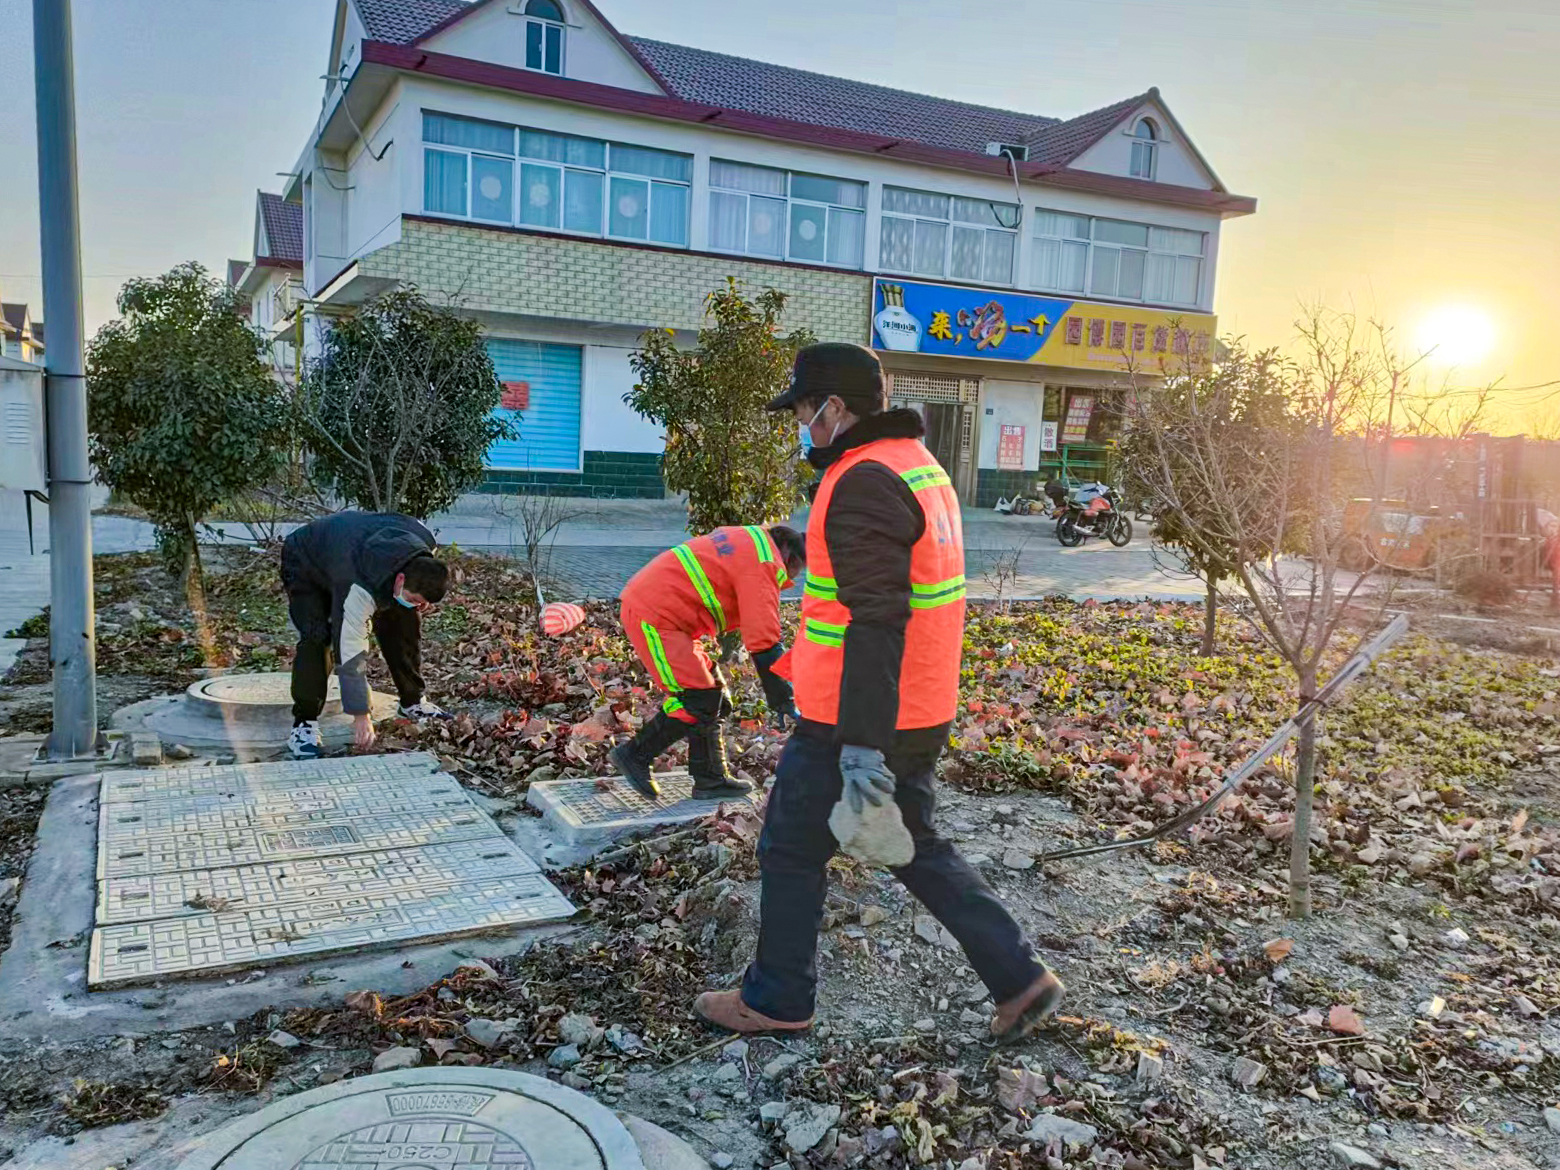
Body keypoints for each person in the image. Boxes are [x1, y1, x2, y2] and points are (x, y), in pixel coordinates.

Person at [692, 342, 1064, 1042]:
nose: (801, 424)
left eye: (803, 410)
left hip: (854, 718)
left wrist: (861, 748)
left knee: (790, 847)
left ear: (833, 407)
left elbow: (877, 619)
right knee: (914, 843)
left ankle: (776, 997)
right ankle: (1018, 978)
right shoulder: (919, 468)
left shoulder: (862, 479)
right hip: (916, 704)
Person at [611, 524, 807, 799]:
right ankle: (633, 755)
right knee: (696, 700)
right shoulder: (764, 564)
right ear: (791, 557)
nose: (792, 579)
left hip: (670, 614)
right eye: (796, 572)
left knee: (715, 699)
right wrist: (783, 698)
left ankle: (710, 780)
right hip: (657, 615)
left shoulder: (754, 538)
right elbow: (764, 641)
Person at [280, 511, 452, 760]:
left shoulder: (423, 542)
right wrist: (361, 716)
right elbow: (351, 648)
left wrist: (416, 602)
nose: (421, 605)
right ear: (401, 578)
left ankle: (412, 701)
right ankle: (304, 724)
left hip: (351, 550)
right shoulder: (357, 585)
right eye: (416, 598)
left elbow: (419, 580)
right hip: (307, 560)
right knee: (319, 637)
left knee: (405, 619)